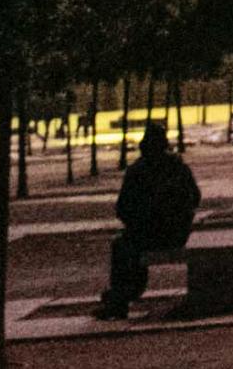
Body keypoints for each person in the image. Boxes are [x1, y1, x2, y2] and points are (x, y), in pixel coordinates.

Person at [98, 124, 203, 319]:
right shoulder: (178, 167)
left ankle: (120, 298)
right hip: (177, 235)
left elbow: (122, 209)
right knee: (128, 246)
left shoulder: (137, 171)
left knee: (122, 246)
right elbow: (195, 197)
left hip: (145, 235)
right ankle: (121, 296)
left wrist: (139, 222)